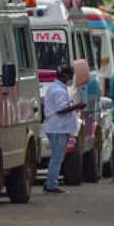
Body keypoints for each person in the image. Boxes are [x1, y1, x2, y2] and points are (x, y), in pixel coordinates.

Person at [43, 65, 86, 193]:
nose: (71, 79)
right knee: (57, 158)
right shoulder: (58, 91)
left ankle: (50, 182)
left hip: (58, 128)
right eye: (70, 76)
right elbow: (61, 109)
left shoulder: (57, 88)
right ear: (65, 75)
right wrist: (76, 106)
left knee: (57, 157)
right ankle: (51, 184)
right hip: (58, 129)